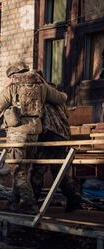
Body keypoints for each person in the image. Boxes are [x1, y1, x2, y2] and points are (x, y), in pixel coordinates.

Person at [0, 62, 68, 214]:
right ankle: (13, 202)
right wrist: (62, 93)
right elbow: (60, 98)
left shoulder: (12, 88)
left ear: (13, 75)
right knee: (23, 171)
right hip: (35, 134)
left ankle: (29, 204)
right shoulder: (41, 86)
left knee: (18, 171)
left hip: (17, 135)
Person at [30, 73, 82, 212]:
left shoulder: (40, 92)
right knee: (59, 170)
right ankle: (72, 198)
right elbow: (66, 116)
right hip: (63, 136)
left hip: (49, 135)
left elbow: (38, 115)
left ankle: (31, 202)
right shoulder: (58, 97)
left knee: (38, 169)